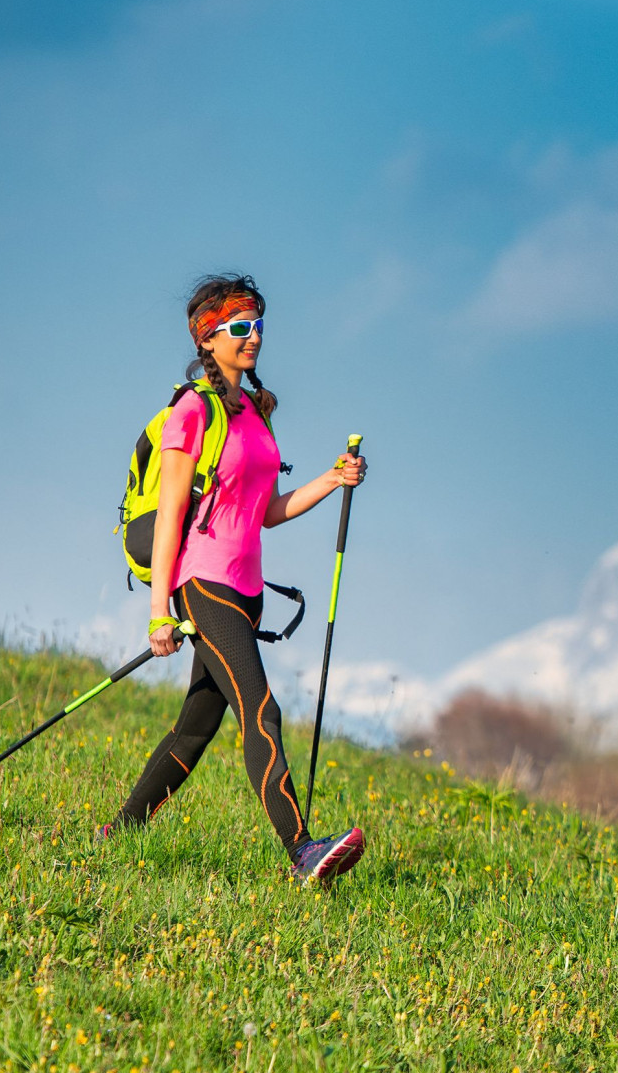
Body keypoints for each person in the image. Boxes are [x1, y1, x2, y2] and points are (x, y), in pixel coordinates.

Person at [98, 273, 369, 885]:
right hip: (204, 584)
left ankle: (117, 834)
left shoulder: (257, 414)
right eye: (239, 328)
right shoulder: (192, 411)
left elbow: (266, 512)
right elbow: (171, 517)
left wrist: (332, 479)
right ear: (208, 339)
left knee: (194, 729)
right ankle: (301, 851)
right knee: (260, 709)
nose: (254, 338)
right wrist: (160, 609)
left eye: (258, 326)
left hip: (248, 592)